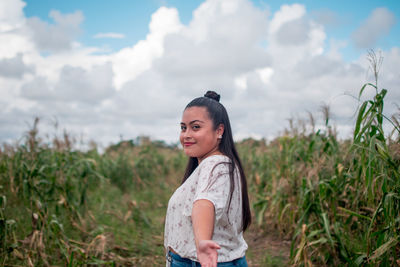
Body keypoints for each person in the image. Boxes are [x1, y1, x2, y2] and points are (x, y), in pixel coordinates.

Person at [164, 91, 251, 267]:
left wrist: (202, 241)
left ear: (219, 130)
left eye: (195, 127)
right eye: (183, 127)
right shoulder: (213, 166)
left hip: (202, 261)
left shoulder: (216, 164)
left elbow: (204, 203)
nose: (186, 134)